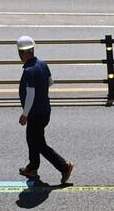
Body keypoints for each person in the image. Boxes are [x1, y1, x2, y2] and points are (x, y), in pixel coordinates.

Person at [17, 35, 74, 186]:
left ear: (22, 53)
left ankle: (64, 166)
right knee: (32, 138)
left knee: (39, 143)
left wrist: (25, 114)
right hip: (45, 110)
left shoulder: (29, 71)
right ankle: (32, 167)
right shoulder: (43, 64)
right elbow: (50, 83)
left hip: (35, 113)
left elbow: (30, 94)